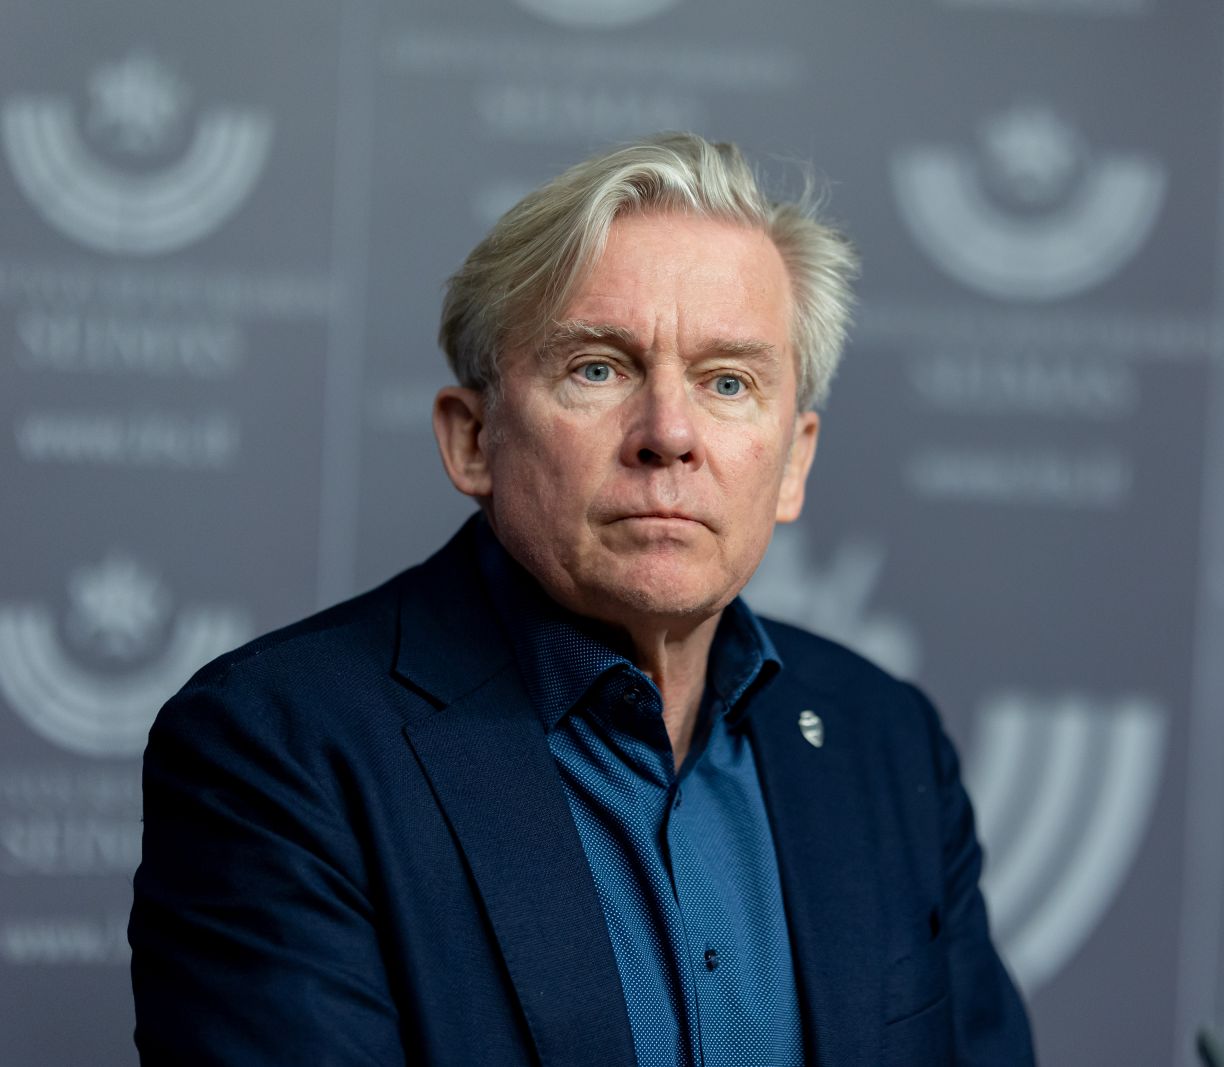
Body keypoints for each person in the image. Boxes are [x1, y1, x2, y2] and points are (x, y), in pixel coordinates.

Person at [129, 133, 1033, 1067]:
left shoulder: (886, 741)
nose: (669, 434)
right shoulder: (277, 748)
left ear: (795, 460)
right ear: (472, 438)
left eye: (728, 382)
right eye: (599, 368)